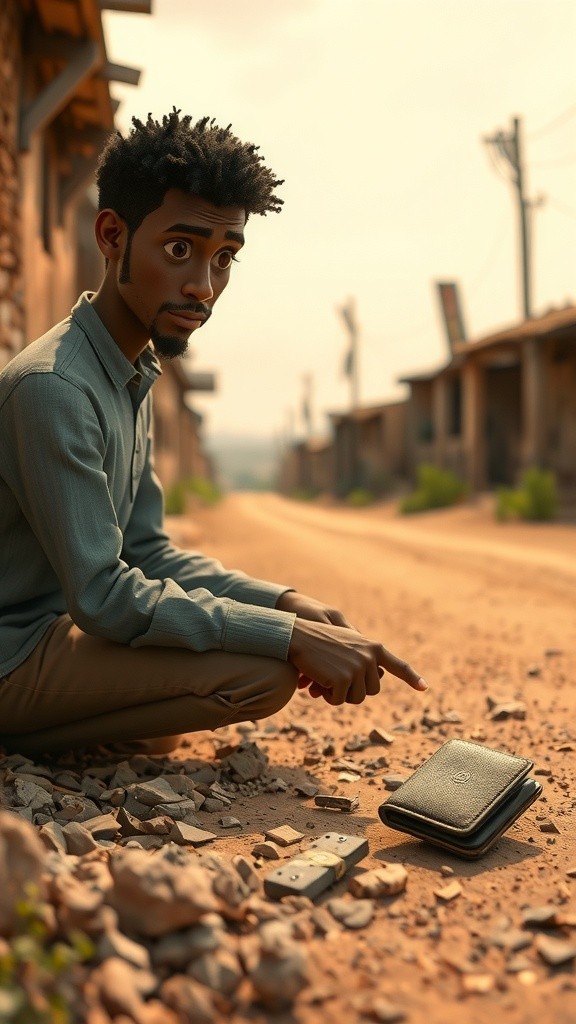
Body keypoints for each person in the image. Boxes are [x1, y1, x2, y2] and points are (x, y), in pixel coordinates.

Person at [0, 110, 427, 760]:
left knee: (194, 697)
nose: (203, 286)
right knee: (258, 671)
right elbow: (104, 595)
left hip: (55, 639)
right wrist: (286, 638)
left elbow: (149, 551)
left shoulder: (131, 369)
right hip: (15, 651)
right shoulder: (54, 387)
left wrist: (289, 604)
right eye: (180, 249)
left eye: (223, 257)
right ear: (112, 236)